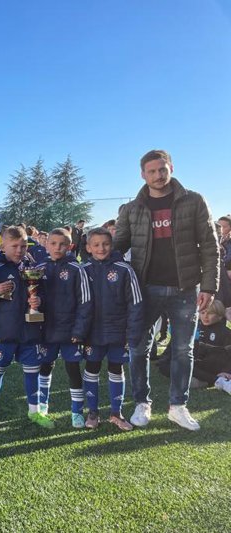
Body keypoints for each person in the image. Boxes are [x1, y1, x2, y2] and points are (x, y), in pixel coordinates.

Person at [114, 149, 220, 431]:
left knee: (183, 349)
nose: (158, 175)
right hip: (144, 290)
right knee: (139, 349)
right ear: (143, 175)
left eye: (162, 169)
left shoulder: (194, 200)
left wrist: (209, 286)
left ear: (171, 168)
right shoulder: (131, 209)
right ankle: (142, 402)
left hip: (185, 289)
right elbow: (118, 248)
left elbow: (210, 246)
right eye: (152, 171)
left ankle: (178, 406)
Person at [0, 226, 53, 428]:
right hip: (5, 332)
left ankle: (34, 411)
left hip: (30, 331)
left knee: (32, 372)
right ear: (3, 246)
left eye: (23, 246)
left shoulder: (33, 269)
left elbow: (44, 294)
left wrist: (39, 300)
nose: (20, 250)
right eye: (14, 246)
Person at [81, 227, 143, 431]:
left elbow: (135, 303)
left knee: (116, 369)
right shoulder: (83, 270)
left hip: (118, 332)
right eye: (96, 245)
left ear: (112, 245)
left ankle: (116, 413)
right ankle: (93, 412)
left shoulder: (124, 269)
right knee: (92, 368)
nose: (101, 248)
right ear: (88, 248)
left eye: (106, 244)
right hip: (92, 332)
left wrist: (131, 333)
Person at [36, 228, 93, 427]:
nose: (57, 247)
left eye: (62, 244)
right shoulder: (39, 268)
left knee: (73, 369)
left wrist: (79, 331)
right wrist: (36, 301)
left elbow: (85, 302)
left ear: (70, 246)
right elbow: (34, 296)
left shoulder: (77, 269)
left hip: (71, 332)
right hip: (47, 331)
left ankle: (77, 411)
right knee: (45, 367)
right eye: (53, 243)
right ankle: (42, 406)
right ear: (46, 244)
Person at [158, 299, 231, 388]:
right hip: (191, 363)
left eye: (210, 313)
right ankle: (213, 380)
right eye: (203, 313)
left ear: (220, 316)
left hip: (208, 366)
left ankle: (209, 380)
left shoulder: (226, 333)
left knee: (186, 367)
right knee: (167, 365)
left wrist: (226, 371)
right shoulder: (192, 327)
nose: (205, 316)